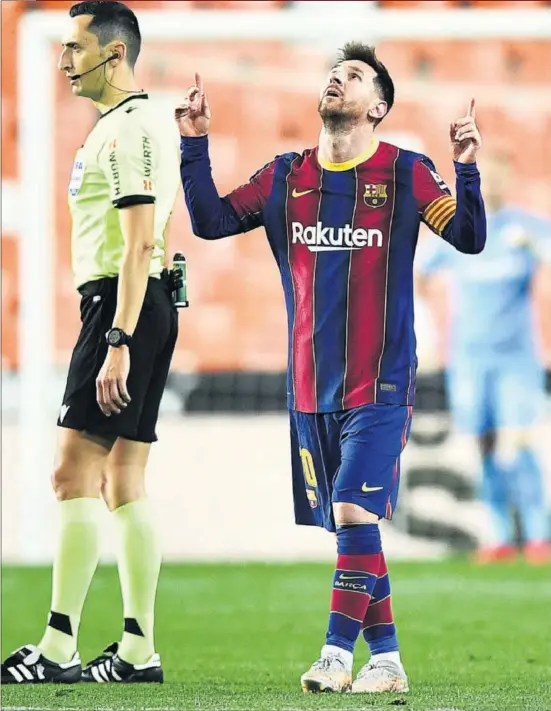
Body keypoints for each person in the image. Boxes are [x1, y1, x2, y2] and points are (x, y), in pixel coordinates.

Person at [177, 43, 485, 694]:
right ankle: (389, 662)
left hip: (381, 382)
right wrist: (194, 143)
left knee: (350, 508)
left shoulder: (405, 172)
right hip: (310, 385)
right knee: (353, 528)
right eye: (332, 73)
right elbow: (208, 221)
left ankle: (334, 655)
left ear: (377, 106)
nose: (336, 80)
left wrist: (465, 173)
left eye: (353, 76)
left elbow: (466, 236)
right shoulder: (283, 175)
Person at [2, 0, 180, 685]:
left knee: (71, 473)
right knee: (121, 479)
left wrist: (117, 338)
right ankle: (138, 651)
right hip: (143, 303)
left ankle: (56, 648)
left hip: (121, 304)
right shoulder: (128, 126)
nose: (62, 60)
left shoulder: (130, 129)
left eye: (73, 48)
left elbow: (138, 244)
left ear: (112, 54)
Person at [417, 150, 551, 565]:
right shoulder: (460, 229)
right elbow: (419, 272)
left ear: (506, 180)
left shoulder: (525, 227)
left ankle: (538, 535)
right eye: (481, 177)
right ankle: (498, 536)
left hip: (515, 357)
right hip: (469, 358)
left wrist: (534, 247)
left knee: (518, 441)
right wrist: (435, 327)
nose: (487, 184)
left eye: (495, 176)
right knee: (485, 446)